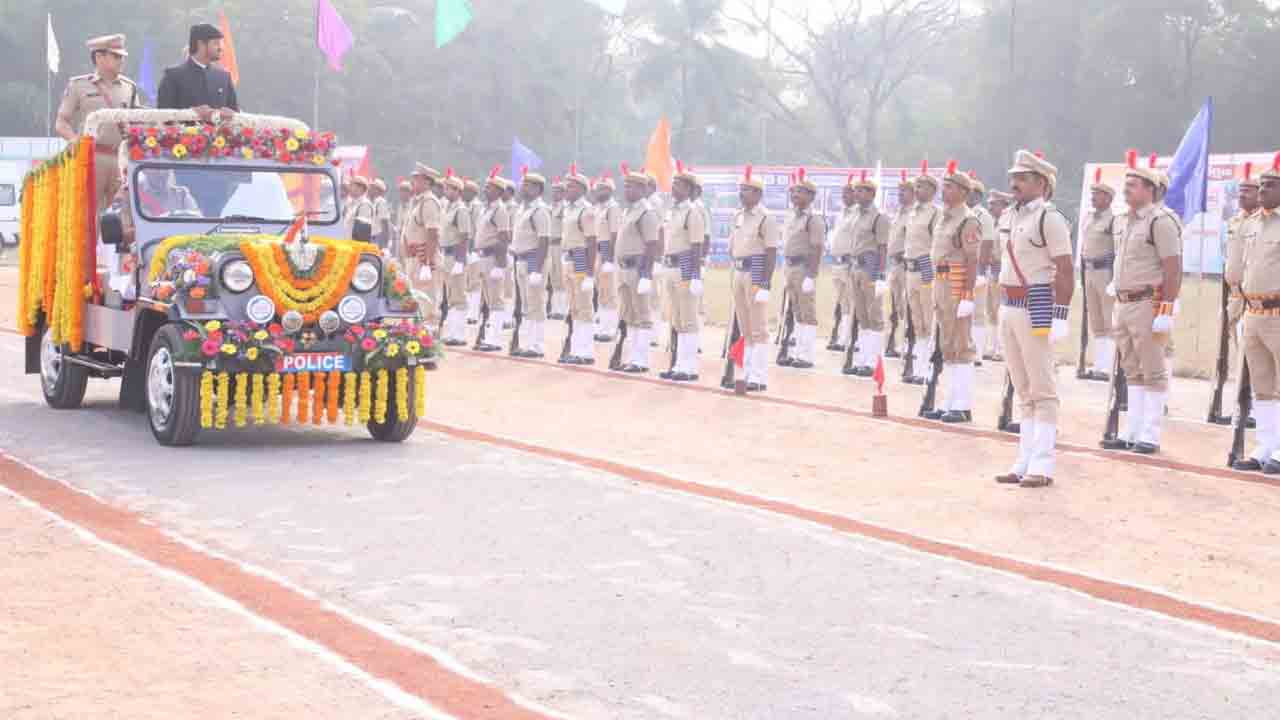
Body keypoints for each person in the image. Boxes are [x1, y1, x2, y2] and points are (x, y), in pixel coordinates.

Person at [992, 150, 1074, 488]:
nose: (1014, 184)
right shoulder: (1011, 216)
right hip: (1008, 305)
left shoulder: (1049, 218)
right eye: (1014, 177)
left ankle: (1042, 463)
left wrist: (1061, 315)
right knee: (1022, 388)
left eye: (1023, 178)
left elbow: (1066, 269)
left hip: (1035, 305)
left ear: (1041, 183)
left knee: (1042, 388)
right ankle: (1023, 460)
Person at [1100, 150, 1183, 455]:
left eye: (1133, 184)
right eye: (1126, 184)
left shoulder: (1161, 221)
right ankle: (1132, 430)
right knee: (1132, 370)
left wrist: (1167, 309)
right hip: (1123, 302)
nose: (1126, 189)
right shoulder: (1122, 221)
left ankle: (1150, 433)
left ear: (1149, 189)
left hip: (1148, 304)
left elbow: (1172, 268)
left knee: (1153, 369)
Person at [1229, 154, 1279, 472]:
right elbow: (1241, 268)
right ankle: (1265, 446)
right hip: (1253, 312)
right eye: (1261, 185)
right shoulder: (1249, 224)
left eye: (1270, 185)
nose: (1262, 190)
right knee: (1261, 386)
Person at [56, 34, 143, 213]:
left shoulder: (129, 87)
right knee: (87, 215)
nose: (121, 60)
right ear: (99, 57)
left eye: (122, 56)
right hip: (91, 157)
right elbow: (61, 121)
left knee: (122, 217)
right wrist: (73, 140)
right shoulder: (79, 85)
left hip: (122, 158)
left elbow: (139, 120)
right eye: (116, 56)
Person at [921, 163, 981, 423]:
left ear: (963, 192)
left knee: (961, 343)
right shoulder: (943, 216)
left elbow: (972, 260)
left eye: (949, 186)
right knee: (947, 343)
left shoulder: (967, 220)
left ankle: (962, 404)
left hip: (957, 278)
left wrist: (967, 296)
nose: (943, 190)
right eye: (943, 185)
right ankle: (949, 401)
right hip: (941, 278)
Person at [730, 166, 780, 392]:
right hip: (739, 271)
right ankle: (747, 371)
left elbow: (771, 252)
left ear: (758, 194)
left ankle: (759, 376)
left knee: (758, 326)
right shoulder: (738, 215)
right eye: (741, 189)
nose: (742, 194)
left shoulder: (766, 218)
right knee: (745, 326)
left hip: (756, 271)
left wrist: (766, 283)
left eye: (747, 190)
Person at [610, 169, 660, 373]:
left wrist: (646, 274)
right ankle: (632, 357)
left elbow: (651, 244)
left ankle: (641, 360)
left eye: (631, 186)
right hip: (623, 269)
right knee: (629, 315)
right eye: (626, 186)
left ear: (641, 189)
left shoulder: (646, 213)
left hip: (637, 269)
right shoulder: (628, 211)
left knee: (642, 315)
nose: (626, 190)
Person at [659, 166, 706, 381]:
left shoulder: (692, 212)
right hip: (670, 267)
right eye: (673, 183)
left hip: (685, 267)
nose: (674, 187)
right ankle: (678, 363)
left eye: (679, 184)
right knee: (676, 319)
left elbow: (697, 245)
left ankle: (689, 367)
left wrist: (695, 275)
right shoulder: (673, 211)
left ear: (689, 189)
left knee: (688, 319)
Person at [778, 169, 825, 369]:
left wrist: (811, 275)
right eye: (793, 192)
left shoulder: (813, 220)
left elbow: (817, 248)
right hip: (789, 267)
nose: (795, 195)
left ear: (811, 196)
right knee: (796, 311)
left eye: (800, 192)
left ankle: (807, 355)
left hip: (803, 268)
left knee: (807, 311)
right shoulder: (791, 217)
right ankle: (797, 352)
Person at [846, 171, 891, 376]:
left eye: (862, 190)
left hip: (871, 267)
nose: (857, 193)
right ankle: (863, 359)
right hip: (856, 267)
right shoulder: (855, 214)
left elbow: (883, 248)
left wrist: (881, 275)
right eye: (856, 190)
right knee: (862, 316)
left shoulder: (879, 218)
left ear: (872, 194)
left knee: (874, 315)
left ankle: (874, 362)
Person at [1080, 171, 1119, 381]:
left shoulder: (1114, 221)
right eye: (1092, 194)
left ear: (1108, 198)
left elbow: (1118, 250)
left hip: (1105, 271)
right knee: (1095, 319)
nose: (1093, 197)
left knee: (1109, 318)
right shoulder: (1088, 217)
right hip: (1089, 270)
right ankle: (1098, 365)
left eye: (1097, 194)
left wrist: (1115, 279)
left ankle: (1108, 367)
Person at [904, 164, 941, 384]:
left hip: (926, 270)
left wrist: (930, 273)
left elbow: (936, 246)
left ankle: (928, 369)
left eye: (922, 187)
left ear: (932, 191)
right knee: (917, 323)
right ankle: (918, 368)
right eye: (916, 186)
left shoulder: (936, 214)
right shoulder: (912, 213)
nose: (917, 190)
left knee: (929, 320)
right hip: (910, 271)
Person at [510, 171, 553, 358]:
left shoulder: (539, 210)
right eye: (523, 184)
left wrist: (537, 268)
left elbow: (543, 240)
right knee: (527, 304)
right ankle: (528, 342)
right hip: (521, 260)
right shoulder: (523, 209)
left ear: (538, 189)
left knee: (536, 302)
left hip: (533, 261)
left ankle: (537, 345)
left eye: (528, 185)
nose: (523, 187)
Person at [157, 23, 239, 118]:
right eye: (216, 43)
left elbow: (235, 114)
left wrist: (230, 115)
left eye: (221, 43)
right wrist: (191, 113)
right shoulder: (173, 76)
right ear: (201, 44)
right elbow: (162, 115)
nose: (221, 48)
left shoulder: (224, 77)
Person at [559, 169, 599, 365]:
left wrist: (590, 273)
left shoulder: (586, 210)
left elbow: (592, 242)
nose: (567, 189)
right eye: (567, 185)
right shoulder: (569, 209)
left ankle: (586, 351)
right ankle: (576, 348)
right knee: (574, 308)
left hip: (581, 259)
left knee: (584, 307)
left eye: (572, 186)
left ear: (582, 189)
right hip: (569, 259)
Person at [401, 166, 444, 329]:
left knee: (428, 300)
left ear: (427, 182)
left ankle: (429, 337)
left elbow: (432, 233)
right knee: (416, 299)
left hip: (423, 257)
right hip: (414, 258)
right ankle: (419, 333)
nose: (414, 182)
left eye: (417, 179)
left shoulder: (429, 202)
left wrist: (427, 262)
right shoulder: (417, 201)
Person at [474, 171, 513, 352]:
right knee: (489, 300)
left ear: (499, 191)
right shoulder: (486, 209)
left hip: (493, 257)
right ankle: (489, 336)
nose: (485, 189)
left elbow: (504, 238)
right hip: (483, 256)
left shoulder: (500, 210)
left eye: (489, 187)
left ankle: (495, 339)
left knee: (496, 300)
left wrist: (500, 264)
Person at [438, 172, 473, 346]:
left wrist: (460, 261)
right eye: (445, 188)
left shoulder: (461, 210)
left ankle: (459, 334)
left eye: (448, 188)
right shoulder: (448, 208)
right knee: (451, 296)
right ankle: (451, 332)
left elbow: (464, 236)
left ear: (457, 191)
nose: (445, 191)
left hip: (456, 256)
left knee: (459, 295)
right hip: (447, 255)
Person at [966, 177, 995, 367]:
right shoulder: (962, 213)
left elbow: (987, 244)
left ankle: (977, 352)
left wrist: (981, 272)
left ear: (976, 195)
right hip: (963, 268)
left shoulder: (982, 215)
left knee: (977, 312)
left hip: (977, 268)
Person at [885, 174, 915, 358]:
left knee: (907, 307)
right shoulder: (899, 214)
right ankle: (892, 343)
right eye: (899, 191)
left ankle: (908, 345)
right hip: (895, 266)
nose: (900, 194)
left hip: (906, 265)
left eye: (904, 191)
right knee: (895, 307)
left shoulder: (913, 215)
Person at [829, 177, 859, 354]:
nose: (844, 195)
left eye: (848, 192)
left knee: (852, 302)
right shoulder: (841, 213)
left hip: (849, 263)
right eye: (843, 192)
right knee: (843, 303)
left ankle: (849, 338)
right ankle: (842, 336)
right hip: (837, 263)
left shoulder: (857, 214)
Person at [594, 174, 623, 342]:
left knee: (610, 292)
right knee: (601, 291)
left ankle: (610, 328)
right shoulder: (599, 208)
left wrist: (610, 259)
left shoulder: (613, 208)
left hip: (607, 251)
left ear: (610, 191)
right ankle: (602, 326)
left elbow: (614, 234)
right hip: (598, 251)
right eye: (598, 188)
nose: (599, 191)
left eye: (603, 188)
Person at [983, 190, 1012, 360]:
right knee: (991, 310)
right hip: (992, 271)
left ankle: (1002, 348)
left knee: (1002, 310)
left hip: (1003, 270)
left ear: (1004, 205)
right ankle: (992, 346)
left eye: (994, 203)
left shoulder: (1008, 223)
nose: (990, 206)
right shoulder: (993, 223)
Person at [548, 180, 569, 320]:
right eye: (553, 191)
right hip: (550, 246)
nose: (554, 193)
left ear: (563, 193)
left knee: (562, 279)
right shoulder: (550, 208)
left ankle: (562, 310)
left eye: (558, 191)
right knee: (554, 278)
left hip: (561, 246)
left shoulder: (565, 208)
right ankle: (555, 308)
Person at [369, 179, 392, 250]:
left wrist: (385, 243)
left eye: (372, 187)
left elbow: (385, 223)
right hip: (371, 238)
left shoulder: (381, 202)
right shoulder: (372, 202)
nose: (369, 189)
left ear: (378, 190)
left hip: (377, 239)